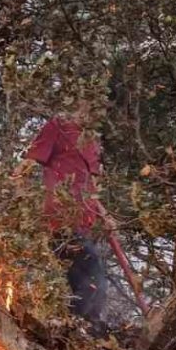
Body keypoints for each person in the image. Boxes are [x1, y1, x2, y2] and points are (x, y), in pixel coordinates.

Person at [12, 105, 147, 333]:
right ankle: (86, 330)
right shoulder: (59, 125)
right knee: (94, 276)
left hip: (83, 225)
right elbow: (29, 163)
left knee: (81, 282)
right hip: (60, 220)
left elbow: (90, 188)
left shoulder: (92, 141)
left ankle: (74, 335)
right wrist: (15, 192)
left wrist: (105, 215)